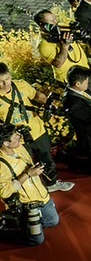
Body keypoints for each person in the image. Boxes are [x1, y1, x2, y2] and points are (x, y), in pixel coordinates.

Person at [0, 62, 70, 190]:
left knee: (47, 159)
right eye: (1, 82)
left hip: (37, 130)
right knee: (26, 166)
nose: (6, 84)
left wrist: (47, 102)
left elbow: (36, 95)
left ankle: (52, 183)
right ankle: (33, 190)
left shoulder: (21, 84)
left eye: (7, 79)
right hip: (18, 140)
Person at [0, 125, 58, 245]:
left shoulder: (19, 147)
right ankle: (8, 229)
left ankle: (27, 226)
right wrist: (28, 174)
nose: (19, 137)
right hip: (26, 205)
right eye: (15, 136)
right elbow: (5, 192)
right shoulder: (1, 164)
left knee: (53, 221)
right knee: (37, 240)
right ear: (6, 143)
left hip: (42, 196)